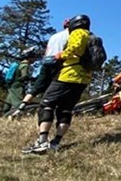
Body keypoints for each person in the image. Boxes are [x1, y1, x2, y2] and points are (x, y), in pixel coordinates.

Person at [22, 14, 93, 154]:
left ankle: (42, 142)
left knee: (47, 105)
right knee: (66, 110)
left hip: (68, 75)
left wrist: (61, 55)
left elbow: (75, 48)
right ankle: (55, 143)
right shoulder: (92, 36)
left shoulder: (78, 32)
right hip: (83, 78)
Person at [11, 19, 70, 115]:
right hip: (58, 62)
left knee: (37, 87)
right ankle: (49, 109)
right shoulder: (71, 35)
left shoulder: (54, 36)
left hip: (47, 61)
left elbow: (47, 51)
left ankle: (21, 107)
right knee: (56, 88)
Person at [4, 47, 38, 112]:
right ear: (30, 57)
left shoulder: (19, 64)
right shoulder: (25, 65)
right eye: (34, 57)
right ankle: (16, 117)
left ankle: (2, 116)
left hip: (12, 86)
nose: (35, 59)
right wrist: (33, 79)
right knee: (18, 104)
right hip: (18, 86)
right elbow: (24, 76)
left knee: (8, 104)